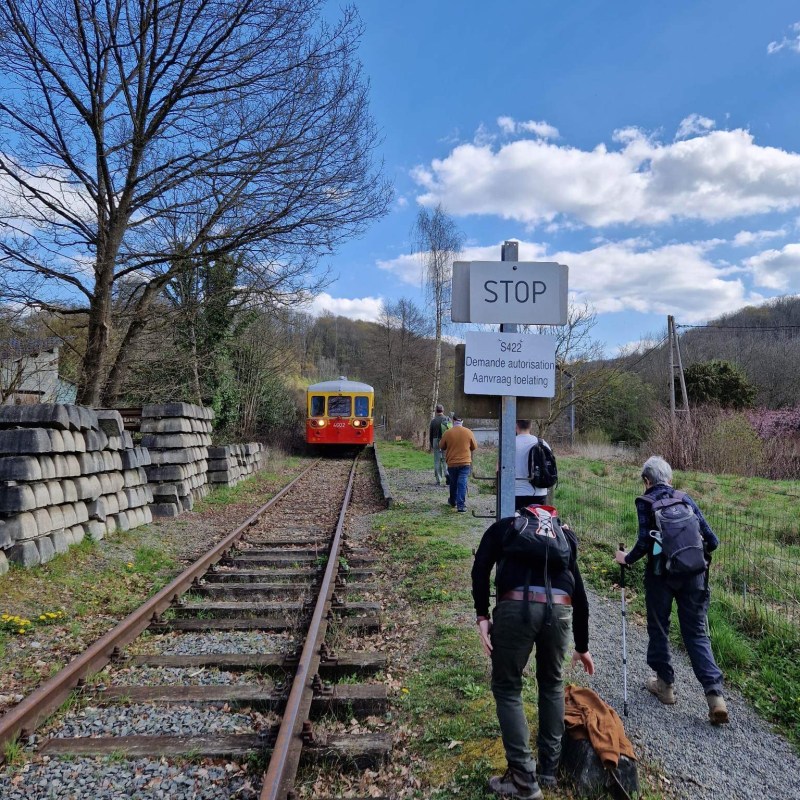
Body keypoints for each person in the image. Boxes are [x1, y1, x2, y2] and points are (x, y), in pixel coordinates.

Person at [472, 506, 595, 799]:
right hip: (561, 609)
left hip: (516, 607)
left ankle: (523, 779)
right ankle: (548, 771)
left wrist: (482, 616)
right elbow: (581, 595)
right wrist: (582, 646)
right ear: (550, 517)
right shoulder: (564, 536)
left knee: (507, 686)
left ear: (522, 515)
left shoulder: (505, 527)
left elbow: (480, 569)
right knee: (552, 684)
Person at [614, 455, 728, 725]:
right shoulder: (685, 499)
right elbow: (712, 540)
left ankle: (665, 687)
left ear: (646, 481)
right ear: (670, 479)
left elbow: (644, 542)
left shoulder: (645, 502)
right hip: (694, 576)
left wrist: (626, 559)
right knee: (697, 632)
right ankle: (715, 698)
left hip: (659, 576)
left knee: (659, 627)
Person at [438, 415, 477, 512]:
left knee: (453, 482)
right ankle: (461, 505)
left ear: (453, 420)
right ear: (462, 420)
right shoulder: (468, 432)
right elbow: (474, 447)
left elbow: (442, 446)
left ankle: (452, 501)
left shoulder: (448, 433)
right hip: (465, 462)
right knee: (462, 482)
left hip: (452, 463)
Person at [514, 420, 550, 511]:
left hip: (516, 493)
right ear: (531, 426)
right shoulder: (542, 443)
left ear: (516, 426)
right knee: (537, 522)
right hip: (539, 492)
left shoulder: (509, 444)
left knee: (516, 523)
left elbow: (499, 469)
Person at [428, 404, 450, 486]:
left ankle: (438, 480)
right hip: (445, 441)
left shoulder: (433, 421)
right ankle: (447, 475)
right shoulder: (447, 419)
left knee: (437, 461)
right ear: (443, 410)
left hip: (435, 440)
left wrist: (432, 444)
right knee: (445, 460)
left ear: (436, 411)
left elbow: (430, 434)